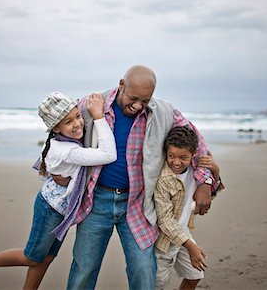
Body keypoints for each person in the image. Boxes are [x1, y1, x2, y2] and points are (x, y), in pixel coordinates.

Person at [65, 65, 222, 289]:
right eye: (133, 98)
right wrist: (53, 169)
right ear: (121, 85)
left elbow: (197, 144)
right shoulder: (92, 104)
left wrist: (205, 181)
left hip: (138, 203)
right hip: (96, 201)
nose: (138, 106)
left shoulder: (165, 112)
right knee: (84, 268)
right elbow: (60, 131)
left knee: (143, 268)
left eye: (145, 101)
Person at [0, 92, 117, 289]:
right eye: (68, 121)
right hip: (50, 209)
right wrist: (98, 116)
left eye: (78, 116)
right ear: (55, 128)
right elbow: (108, 154)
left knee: (47, 258)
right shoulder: (65, 150)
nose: (77, 123)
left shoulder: (64, 141)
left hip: (61, 209)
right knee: (32, 256)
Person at [154, 126, 223, 290]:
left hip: (184, 233)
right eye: (171, 156)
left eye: (183, 157)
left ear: (193, 155)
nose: (176, 162)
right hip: (163, 241)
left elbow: (205, 200)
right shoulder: (164, 180)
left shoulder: (196, 172)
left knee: (195, 275)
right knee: (158, 284)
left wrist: (216, 171)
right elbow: (164, 220)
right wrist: (191, 246)